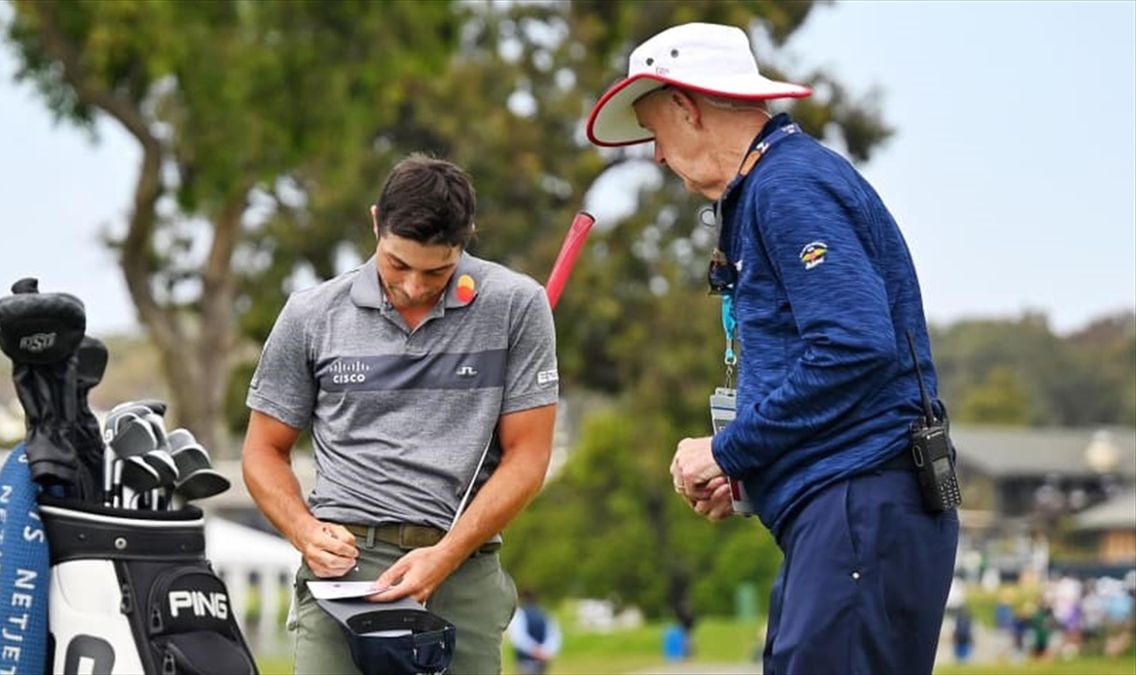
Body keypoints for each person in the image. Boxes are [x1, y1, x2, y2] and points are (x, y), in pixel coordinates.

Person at [585, 22, 959, 674]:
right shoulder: (772, 185)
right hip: (847, 510)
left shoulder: (787, 187)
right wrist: (749, 470)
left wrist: (727, 447)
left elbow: (852, 348)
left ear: (685, 107)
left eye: (655, 131)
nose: (656, 155)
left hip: (859, 505)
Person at [242, 154, 559, 674]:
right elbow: (263, 451)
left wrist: (447, 555)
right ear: (375, 223)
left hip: (461, 568)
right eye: (397, 264)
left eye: (436, 270)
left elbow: (529, 456)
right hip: (344, 572)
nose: (413, 286)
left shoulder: (517, 306)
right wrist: (302, 529)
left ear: (467, 237)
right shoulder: (310, 313)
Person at [507, 588, 562, 674]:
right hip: (543, 660)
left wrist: (535, 650)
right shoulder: (546, 614)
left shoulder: (519, 614)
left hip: (525, 661)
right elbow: (554, 636)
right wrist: (546, 651)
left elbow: (519, 638)